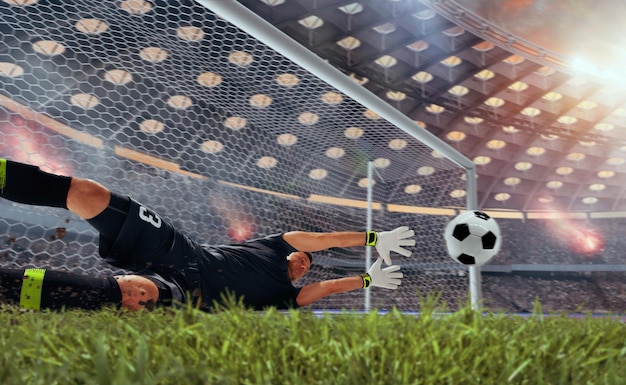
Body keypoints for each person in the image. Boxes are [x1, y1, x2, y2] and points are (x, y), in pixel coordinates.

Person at [0, 158, 415, 311]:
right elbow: (322, 242)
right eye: (302, 257)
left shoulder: (283, 297)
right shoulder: (275, 246)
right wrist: (374, 240)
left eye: (306, 267)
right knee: (89, 193)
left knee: (131, 294)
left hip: (188, 292)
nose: (303, 261)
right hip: (183, 253)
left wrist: (363, 280)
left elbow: (321, 290)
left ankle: (7, 286)